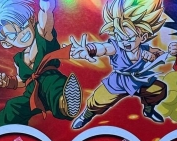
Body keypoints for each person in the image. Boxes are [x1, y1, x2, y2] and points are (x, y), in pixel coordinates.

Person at [69, 0, 167, 129]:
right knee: (97, 101)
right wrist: (89, 50)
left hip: (139, 80)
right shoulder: (115, 47)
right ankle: (85, 116)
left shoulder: (145, 48)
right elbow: (103, 48)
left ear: (142, 37)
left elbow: (160, 54)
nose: (124, 42)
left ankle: (148, 110)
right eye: (120, 37)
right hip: (118, 82)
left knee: (159, 90)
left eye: (129, 38)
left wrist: (155, 56)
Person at [0, 0, 82, 129]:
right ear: (6, 43)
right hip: (32, 93)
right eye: (12, 35)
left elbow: (45, 20)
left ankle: (65, 103)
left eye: (23, 25)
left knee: (55, 87)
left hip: (50, 80)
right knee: (14, 106)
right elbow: (22, 80)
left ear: (31, 20)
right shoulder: (19, 59)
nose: (22, 33)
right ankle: (2, 129)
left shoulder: (42, 37)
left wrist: (46, 7)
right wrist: (8, 82)